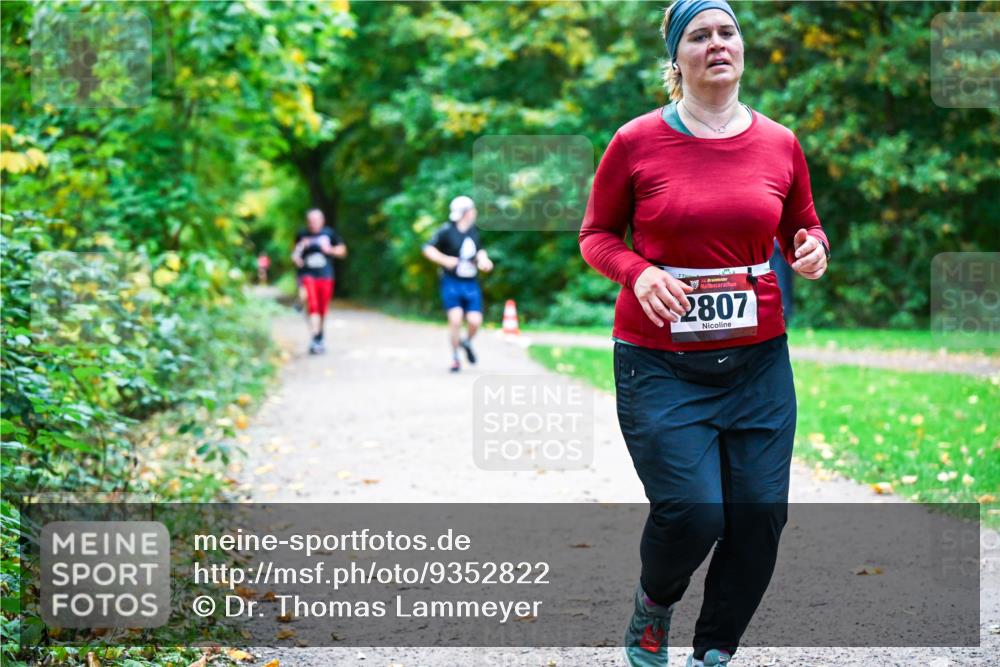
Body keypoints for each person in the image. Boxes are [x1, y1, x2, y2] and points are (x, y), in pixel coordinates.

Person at [578, 2, 830, 666]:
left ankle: (713, 650)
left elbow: (802, 222)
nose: (717, 43)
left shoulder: (780, 142)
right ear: (677, 57)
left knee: (758, 518)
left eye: (727, 32)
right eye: (699, 35)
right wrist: (636, 272)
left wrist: (811, 247)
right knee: (695, 512)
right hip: (659, 362)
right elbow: (596, 236)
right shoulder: (635, 141)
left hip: (758, 364)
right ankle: (654, 605)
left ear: (742, 49)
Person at [422, 195, 493, 373]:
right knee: (455, 319)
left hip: (470, 282)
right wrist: (444, 260)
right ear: (466, 212)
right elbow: (427, 248)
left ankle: (466, 341)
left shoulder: (473, 231)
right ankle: (455, 357)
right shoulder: (446, 230)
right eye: (473, 209)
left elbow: (479, 251)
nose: (475, 212)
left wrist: (484, 260)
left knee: (475, 321)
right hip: (451, 281)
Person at [291, 208, 347, 355]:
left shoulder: (329, 234)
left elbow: (342, 251)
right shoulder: (302, 235)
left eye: (316, 220)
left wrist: (330, 250)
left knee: (322, 308)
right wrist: (297, 258)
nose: (313, 223)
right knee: (313, 305)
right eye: (311, 221)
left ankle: (319, 336)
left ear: (322, 221)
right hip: (308, 274)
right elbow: (295, 253)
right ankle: (315, 337)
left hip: (326, 274)